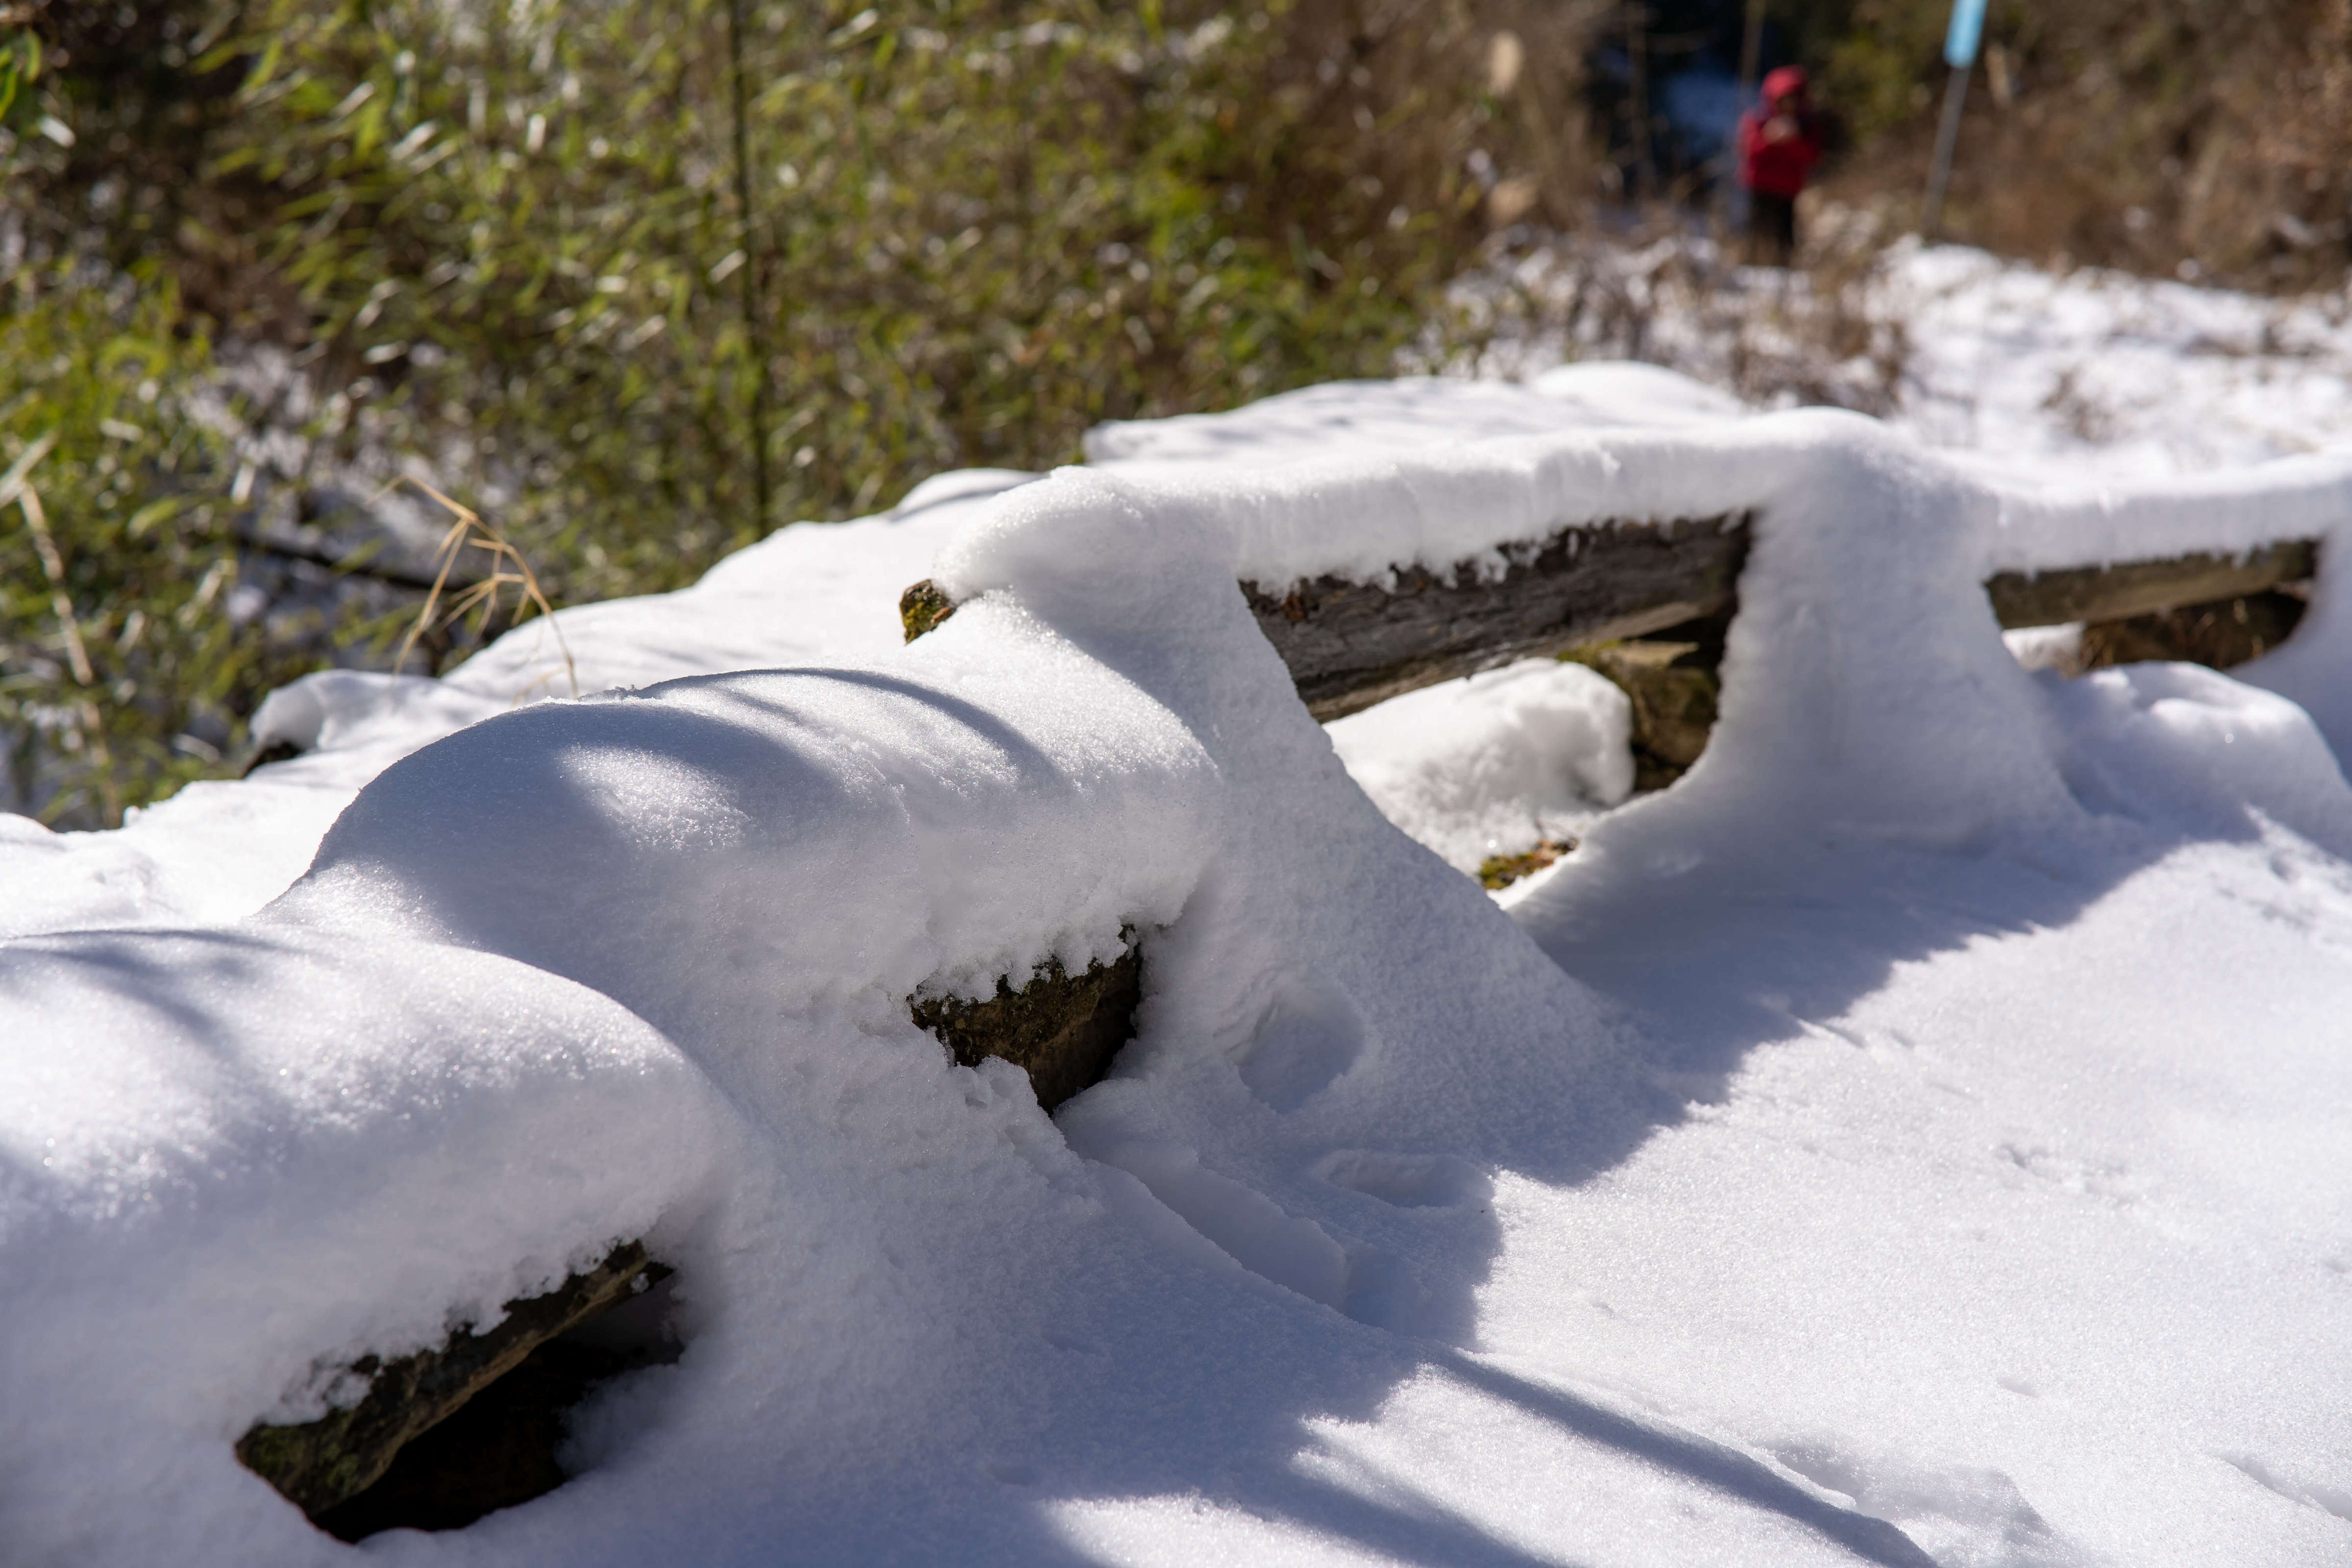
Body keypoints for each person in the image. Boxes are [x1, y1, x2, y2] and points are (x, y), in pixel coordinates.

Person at [1736, 65, 1825, 267]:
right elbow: (1748, 150)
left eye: (1792, 100)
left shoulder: (1806, 125)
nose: (1789, 105)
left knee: (1785, 237)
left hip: (1788, 190)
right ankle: (1752, 268)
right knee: (1757, 234)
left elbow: (1813, 156)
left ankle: (1784, 272)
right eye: (1784, 100)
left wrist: (1792, 140)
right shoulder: (1758, 121)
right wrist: (1771, 139)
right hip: (1761, 188)